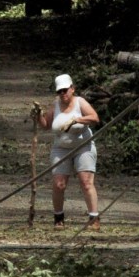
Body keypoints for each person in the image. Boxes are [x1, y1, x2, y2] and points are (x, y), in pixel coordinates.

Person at [32, 74, 101, 230]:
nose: (63, 94)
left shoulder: (80, 102)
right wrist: (38, 116)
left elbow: (95, 118)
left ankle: (94, 217)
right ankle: (58, 217)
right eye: (60, 91)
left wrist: (76, 120)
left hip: (83, 146)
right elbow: (46, 125)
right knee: (59, 184)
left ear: (72, 89)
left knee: (86, 182)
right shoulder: (55, 104)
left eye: (65, 90)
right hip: (61, 148)